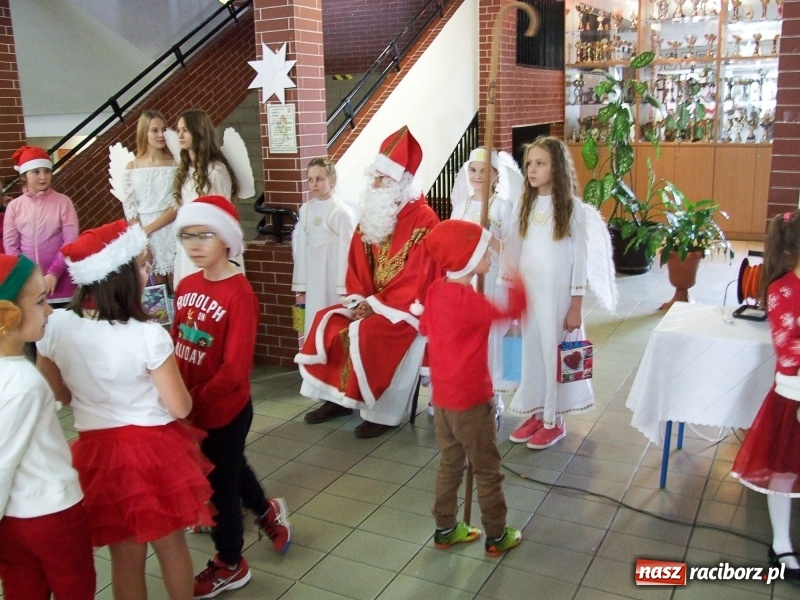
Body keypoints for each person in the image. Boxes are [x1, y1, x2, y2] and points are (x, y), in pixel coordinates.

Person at [36, 220, 215, 600]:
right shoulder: (146, 334)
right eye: (142, 265)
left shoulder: (56, 327)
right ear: (121, 277)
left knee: (125, 555)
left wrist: (91, 399)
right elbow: (179, 406)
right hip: (153, 453)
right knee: (171, 547)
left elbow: (56, 390)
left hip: (98, 452)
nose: (146, 271)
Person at [171, 195, 292, 598]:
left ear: (226, 239)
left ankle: (230, 563)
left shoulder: (239, 295)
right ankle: (266, 511)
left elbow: (235, 370)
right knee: (232, 467)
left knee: (220, 488)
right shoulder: (186, 285)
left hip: (224, 410)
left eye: (204, 234)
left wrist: (191, 400)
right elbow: (177, 345)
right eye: (186, 235)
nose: (193, 243)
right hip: (190, 408)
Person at [295, 126, 441, 438]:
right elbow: (358, 262)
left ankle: (382, 412)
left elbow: (420, 277)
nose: (373, 184)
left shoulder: (425, 220)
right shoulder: (374, 215)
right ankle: (338, 398)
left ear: (400, 183)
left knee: (369, 334)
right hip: (371, 302)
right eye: (374, 177)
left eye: (380, 179)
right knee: (329, 319)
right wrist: (359, 300)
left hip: (406, 310)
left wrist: (375, 306)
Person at [415, 219, 526, 557]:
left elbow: (424, 324)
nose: (489, 259)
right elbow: (513, 310)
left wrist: (486, 240)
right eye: (483, 253)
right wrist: (516, 273)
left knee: (451, 463)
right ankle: (497, 535)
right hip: (473, 403)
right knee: (487, 470)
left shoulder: (436, 291)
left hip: (443, 401)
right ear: (467, 259)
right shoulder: (471, 302)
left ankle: (445, 528)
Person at [0, 254, 95, 600]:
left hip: (12, 519)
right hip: (51, 515)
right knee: (75, 588)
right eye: (40, 301)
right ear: (7, 314)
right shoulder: (23, 382)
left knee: (22, 589)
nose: (50, 310)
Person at [502, 136, 594, 450]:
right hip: (530, 295)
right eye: (529, 163)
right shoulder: (523, 205)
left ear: (556, 168)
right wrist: (512, 294)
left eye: (540, 163)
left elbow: (580, 259)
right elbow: (512, 250)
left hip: (558, 298)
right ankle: (537, 410)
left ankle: (555, 420)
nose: (532, 169)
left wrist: (576, 305)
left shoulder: (572, 209)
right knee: (532, 354)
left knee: (552, 354)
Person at [731, 210, 800, 580]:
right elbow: (788, 352)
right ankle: (781, 543)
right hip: (794, 398)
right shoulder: (782, 290)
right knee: (785, 472)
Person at [449, 147, 522, 414]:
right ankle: (468, 386)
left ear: (495, 175)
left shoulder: (504, 207)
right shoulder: (461, 206)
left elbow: (512, 249)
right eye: (473, 170)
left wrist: (491, 238)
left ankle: (493, 395)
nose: (477, 176)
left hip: (491, 280)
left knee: (491, 335)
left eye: (483, 171)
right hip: (464, 281)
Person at [172, 109, 239, 288]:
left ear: (198, 131)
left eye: (185, 130)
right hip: (188, 242)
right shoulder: (184, 170)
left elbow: (223, 214)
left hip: (208, 244)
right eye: (178, 130)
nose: (180, 135)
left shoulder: (216, 170)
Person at [291, 157, 356, 339]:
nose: (314, 184)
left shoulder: (342, 211)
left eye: (319, 179)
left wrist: (344, 287)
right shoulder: (305, 209)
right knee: (314, 322)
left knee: (332, 323)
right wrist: (300, 285)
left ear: (331, 180)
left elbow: (347, 251)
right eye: (310, 179)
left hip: (333, 277)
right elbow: (301, 250)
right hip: (313, 278)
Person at [3, 146, 78, 302]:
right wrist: (27, 275)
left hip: (61, 283)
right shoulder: (14, 207)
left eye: (47, 171)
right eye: (36, 172)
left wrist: (54, 273)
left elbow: (70, 243)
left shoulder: (63, 202)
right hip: (28, 283)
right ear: (24, 176)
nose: (43, 176)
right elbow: (11, 247)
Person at [121, 110, 178, 290]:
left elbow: (177, 204)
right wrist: (141, 239)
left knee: (179, 285)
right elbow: (130, 209)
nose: (161, 135)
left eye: (163, 129)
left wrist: (147, 230)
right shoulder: (132, 167)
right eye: (155, 130)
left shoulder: (175, 164)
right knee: (157, 292)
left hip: (171, 229)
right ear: (144, 133)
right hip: (146, 236)